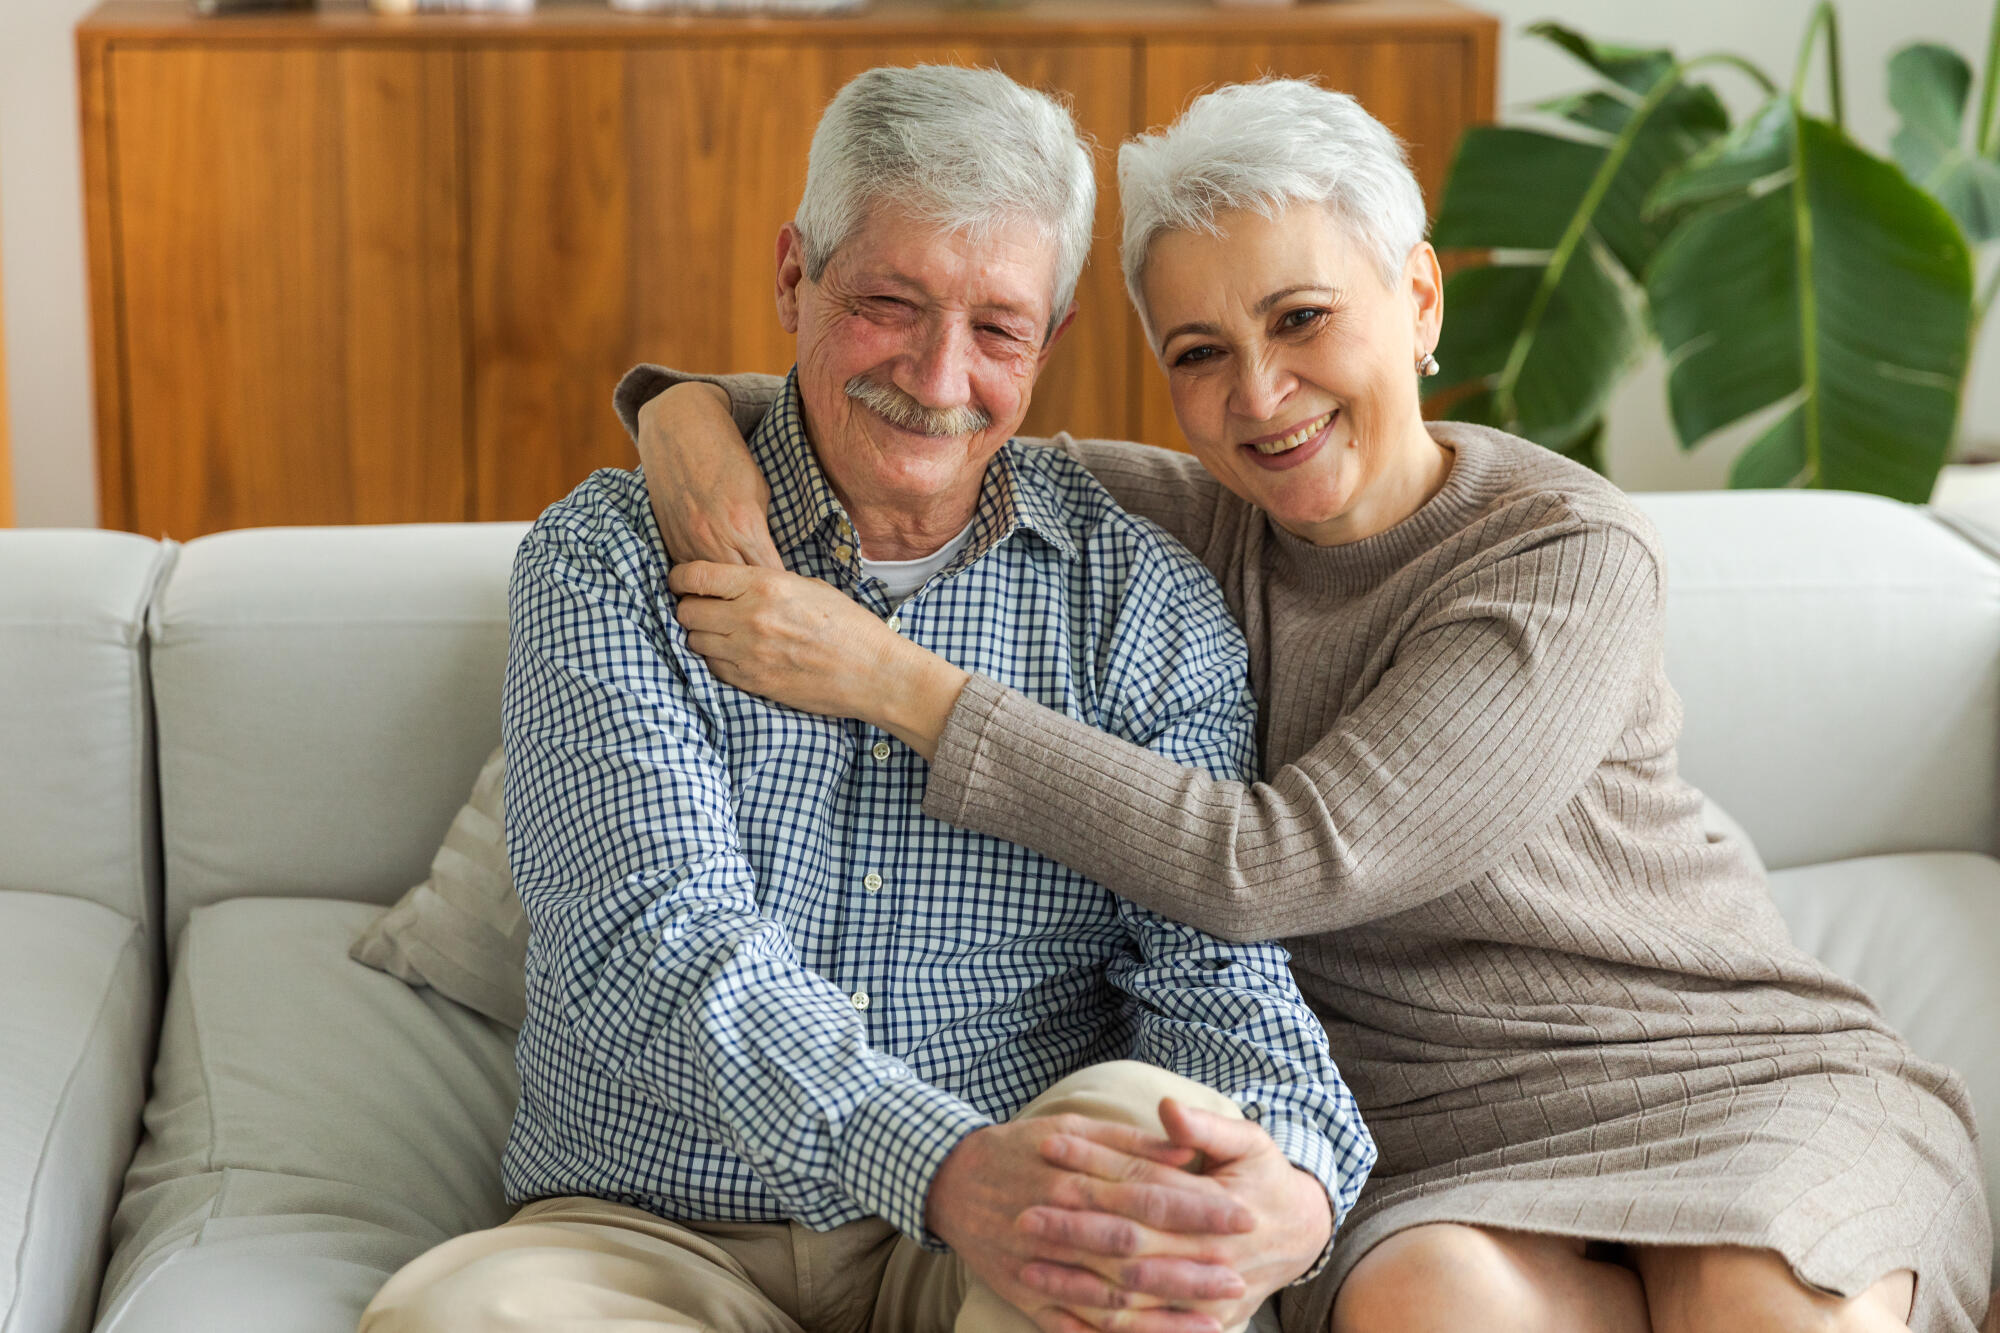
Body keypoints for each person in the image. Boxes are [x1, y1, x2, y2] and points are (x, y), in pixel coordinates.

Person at [623, 78, 1994, 1333]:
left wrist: (890, 680)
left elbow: (1287, 859)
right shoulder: (1200, 520)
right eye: (1201, 353)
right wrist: (676, 409)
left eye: (1301, 321)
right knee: (1426, 1310)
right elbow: (922, 407)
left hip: (1722, 1083)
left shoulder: (1562, 554)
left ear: (1419, 299)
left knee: (1757, 1312)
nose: (1260, 398)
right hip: (1435, 1140)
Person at [356, 65, 1375, 1333]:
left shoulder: (1141, 608)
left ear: (1049, 343)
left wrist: (1302, 1177)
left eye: (997, 329)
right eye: (889, 304)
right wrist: (943, 1168)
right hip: (656, 1229)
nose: (939, 378)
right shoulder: (609, 557)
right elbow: (653, 941)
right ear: (794, 279)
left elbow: (1212, 966)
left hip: (1009, 1221)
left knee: (1141, 1185)